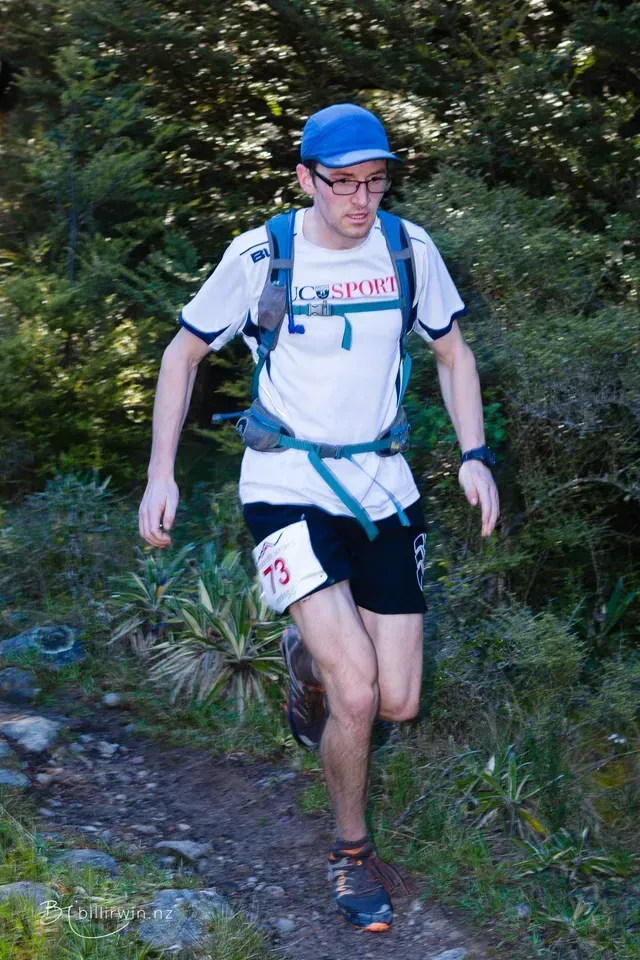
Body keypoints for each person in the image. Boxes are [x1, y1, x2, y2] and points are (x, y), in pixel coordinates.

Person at [139, 103, 500, 933]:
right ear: (305, 178)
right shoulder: (265, 253)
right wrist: (162, 474)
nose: (361, 201)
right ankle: (349, 851)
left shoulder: (409, 249)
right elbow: (182, 351)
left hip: (385, 487)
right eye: (342, 184)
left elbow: (451, 352)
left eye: (375, 183)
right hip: (282, 486)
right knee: (361, 689)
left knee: (400, 700)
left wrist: (474, 455)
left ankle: (305, 665)